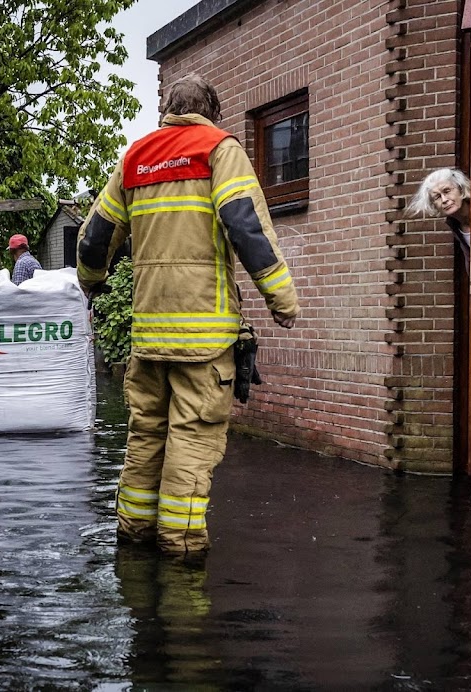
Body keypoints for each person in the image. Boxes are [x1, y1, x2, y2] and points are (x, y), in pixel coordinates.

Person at [77, 72, 299, 556]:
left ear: (167, 112)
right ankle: (179, 554)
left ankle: (133, 537)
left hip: (148, 337)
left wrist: (91, 283)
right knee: (192, 441)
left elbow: (94, 236)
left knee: (146, 436)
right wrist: (282, 299)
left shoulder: (134, 158)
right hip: (205, 338)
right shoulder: (219, 150)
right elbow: (246, 227)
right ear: (211, 111)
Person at [407, 168, 471, 275]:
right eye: (437, 197)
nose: (444, 200)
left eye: (447, 191)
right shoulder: (455, 224)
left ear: (461, 189)